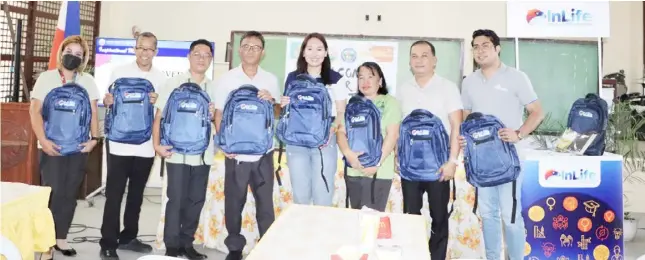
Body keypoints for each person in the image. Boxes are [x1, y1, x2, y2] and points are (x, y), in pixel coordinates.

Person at [460, 29, 544, 260]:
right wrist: (463, 137)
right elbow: (467, 117)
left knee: (511, 216)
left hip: (510, 159)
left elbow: (537, 112)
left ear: (497, 48)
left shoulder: (516, 77)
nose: (480, 50)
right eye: (475, 46)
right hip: (481, 161)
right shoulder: (469, 82)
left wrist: (519, 133)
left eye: (485, 45)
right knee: (488, 215)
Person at [29, 35, 100, 260]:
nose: (73, 56)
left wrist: (94, 140)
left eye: (79, 54)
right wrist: (43, 140)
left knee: (69, 195)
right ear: (61, 52)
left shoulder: (87, 81)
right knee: (52, 194)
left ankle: (61, 239)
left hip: (78, 148)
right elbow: (35, 112)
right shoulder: (47, 78)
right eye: (70, 51)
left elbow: (94, 114)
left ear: (84, 58)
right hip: (51, 147)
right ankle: (46, 245)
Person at [213, 31, 281, 260]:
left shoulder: (270, 79)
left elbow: (278, 112)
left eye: (256, 47)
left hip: (264, 152)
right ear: (240, 50)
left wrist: (271, 100)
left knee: (265, 204)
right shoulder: (227, 79)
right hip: (236, 153)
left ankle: (268, 247)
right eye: (247, 46)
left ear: (262, 52)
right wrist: (224, 143)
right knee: (234, 202)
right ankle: (234, 248)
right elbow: (219, 113)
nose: (251, 50)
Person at [99, 32, 166, 260]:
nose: (144, 53)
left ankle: (129, 237)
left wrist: (160, 102)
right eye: (140, 48)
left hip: (146, 144)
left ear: (155, 51)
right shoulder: (119, 72)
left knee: (136, 195)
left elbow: (162, 112)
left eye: (149, 49)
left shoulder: (161, 77)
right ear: (134, 49)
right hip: (119, 144)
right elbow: (108, 100)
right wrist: (107, 100)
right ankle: (108, 242)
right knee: (114, 194)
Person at [395, 40, 462, 260]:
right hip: (410, 168)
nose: (419, 60)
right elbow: (400, 128)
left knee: (439, 218)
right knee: (410, 217)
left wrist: (452, 161)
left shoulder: (448, 87)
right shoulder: (404, 89)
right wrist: (398, 155)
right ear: (409, 61)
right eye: (414, 56)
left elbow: (456, 126)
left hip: (439, 167)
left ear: (434, 60)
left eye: (424, 55)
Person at [153, 39, 215, 260]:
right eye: (197, 53)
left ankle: (186, 243)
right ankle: (171, 247)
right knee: (176, 199)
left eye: (206, 55)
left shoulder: (213, 87)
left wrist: (213, 114)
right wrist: (156, 145)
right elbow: (159, 116)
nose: (201, 58)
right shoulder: (173, 83)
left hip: (203, 154)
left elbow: (218, 121)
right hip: (176, 152)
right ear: (189, 56)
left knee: (196, 200)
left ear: (211, 59)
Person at [280, 32, 349, 206]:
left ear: (326, 53)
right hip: (296, 141)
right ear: (303, 52)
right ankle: (302, 233)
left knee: (323, 196)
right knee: (301, 196)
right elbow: (287, 110)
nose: (314, 53)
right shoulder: (293, 77)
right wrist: (283, 103)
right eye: (309, 48)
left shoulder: (335, 79)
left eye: (319, 49)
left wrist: (332, 129)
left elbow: (341, 111)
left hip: (324, 141)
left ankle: (322, 233)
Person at [337, 62, 401, 211]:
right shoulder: (353, 104)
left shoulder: (389, 103)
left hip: (379, 172)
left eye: (370, 77)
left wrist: (376, 164)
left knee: (373, 222)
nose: (365, 82)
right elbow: (341, 132)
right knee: (356, 218)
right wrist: (349, 154)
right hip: (353, 169)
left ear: (380, 81)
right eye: (361, 78)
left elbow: (393, 135)